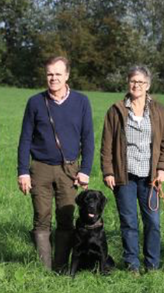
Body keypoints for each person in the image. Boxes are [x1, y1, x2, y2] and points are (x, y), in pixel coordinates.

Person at [17, 56, 95, 272]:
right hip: (39, 168)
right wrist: (23, 171)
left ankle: (60, 268)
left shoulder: (81, 102)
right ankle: (45, 269)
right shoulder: (35, 102)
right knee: (41, 218)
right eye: (50, 74)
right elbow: (25, 139)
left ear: (67, 75)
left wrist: (85, 170)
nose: (53, 78)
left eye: (58, 74)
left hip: (69, 170)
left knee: (66, 218)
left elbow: (88, 138)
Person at [101, 65, 164, 273]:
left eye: (141, 82)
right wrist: (108, 171)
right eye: (133, 81)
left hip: (151, 178)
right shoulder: (116, 110)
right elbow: (106, 145)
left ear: (148, 85)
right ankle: (132, 265)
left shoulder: (159, 110)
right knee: (129, 223)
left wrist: (163, 168)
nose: (136, 85)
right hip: (124, 176)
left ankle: (152, 265)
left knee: (153, 223)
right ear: (128, 83)